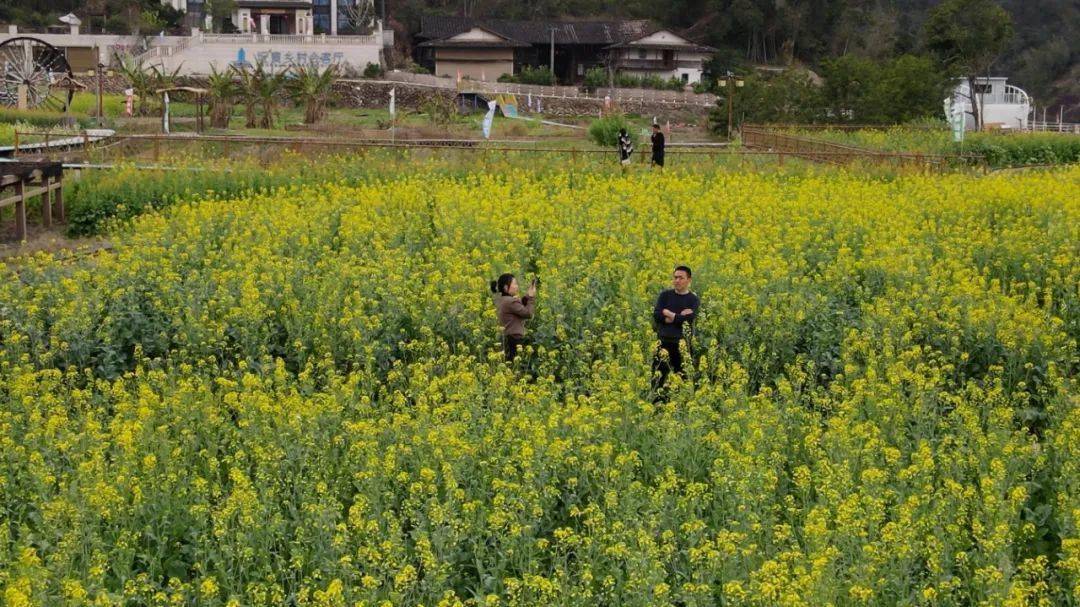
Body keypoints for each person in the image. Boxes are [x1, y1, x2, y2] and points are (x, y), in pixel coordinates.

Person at [652, 265, 700, 395]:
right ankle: (657, 407)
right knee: (657, 379)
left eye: (681, 278)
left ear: (689, 280)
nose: (677, 280)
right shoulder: (665, 295)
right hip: (663, 343)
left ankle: (681, 406)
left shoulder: (693, 299)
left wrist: (669, 314)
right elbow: (657, 315)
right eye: (675, 277)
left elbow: (688, 319)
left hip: (683, 345)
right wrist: (679, 317)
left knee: (683, 379)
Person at [490, 273, 537, 361]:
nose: (517, 286)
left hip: (508, 338)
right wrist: (531, 298)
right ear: (505, 287)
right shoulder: (510, 302)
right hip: (515, 339)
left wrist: (527, 296)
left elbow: (518, 305)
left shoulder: (503, 299)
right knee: (516, 366)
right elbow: (528, 314)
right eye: (514, 284)